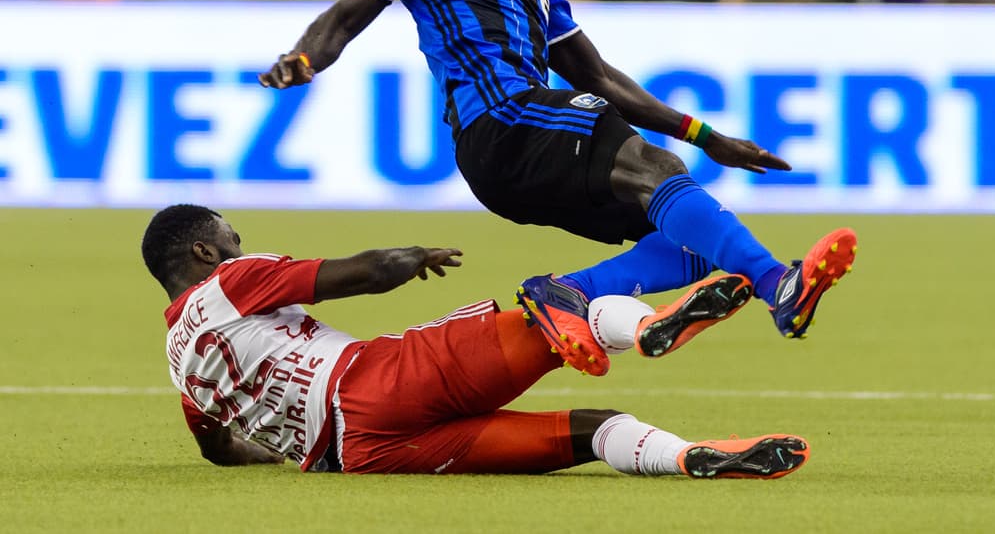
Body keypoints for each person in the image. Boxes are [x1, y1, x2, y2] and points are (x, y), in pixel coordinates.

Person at [258, 0, 856, 378]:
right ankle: (781, 284)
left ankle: (565, 293)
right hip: (500, 119)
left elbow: (596, 76)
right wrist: (305, 56)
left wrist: (708, 135)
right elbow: (346, 13)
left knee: (691, 239)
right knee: (657, 169)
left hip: (527, 138)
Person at [145, 204, 808, 478]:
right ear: (206, 249)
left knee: (592, 431)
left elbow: (219, 451)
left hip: (362, 456)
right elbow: (360, 273)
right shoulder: (233, 280)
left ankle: (689, 456)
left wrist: (283, 450)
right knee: (551, 305)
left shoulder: (180, 364)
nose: (238, 241)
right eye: (229, 235)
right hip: (372, 380)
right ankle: (644, 327)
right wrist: (411, 255)